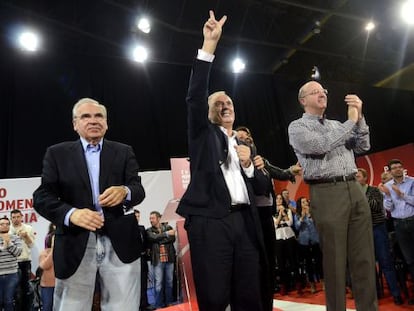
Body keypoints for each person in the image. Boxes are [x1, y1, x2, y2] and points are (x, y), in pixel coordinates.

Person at [176, 11, 268, 311]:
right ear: (209, 112)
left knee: (249, 294)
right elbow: (193, 96)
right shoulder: (203, 135)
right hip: (212, 222)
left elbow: (265, 185)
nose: (225, 105)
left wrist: (249, 166)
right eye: (218, 103)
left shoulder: (243, 143)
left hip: (246, 221)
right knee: (215, 296)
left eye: (228, 102)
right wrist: (209, 46)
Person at [33, 97, 146, 310]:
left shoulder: (123, 151)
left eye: (99, 116)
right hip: (75, 242)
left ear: (106, 123)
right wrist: (71, 214)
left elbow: (138, 189)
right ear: (75, 124)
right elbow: (42, 196)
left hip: (120, 242)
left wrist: (125, 191)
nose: (93, 120)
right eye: (86, 116)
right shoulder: (56, 154)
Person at [288, 80, 378, 311]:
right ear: (303, 100)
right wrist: (351, 121)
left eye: (324, 91)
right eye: (315, 91)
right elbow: (320, 145)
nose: (322, 94)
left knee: (365, 259)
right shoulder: (298, 127)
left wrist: (360, 115)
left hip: (354, 188)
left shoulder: (338, 124)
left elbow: (363, 145)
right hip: (326, 192)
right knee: (335, 262)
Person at [236, 126, 300, 310]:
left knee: (269, 263)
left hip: (267, 217)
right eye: (239, 139)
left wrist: (290, 171)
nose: (244, 141)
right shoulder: (237, 162)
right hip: (250, 217)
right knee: (255, 265)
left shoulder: (260, 160)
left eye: (247, 138)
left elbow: (277, 172)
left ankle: (268, 301)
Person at [355, 168, 403, 305]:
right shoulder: (352, 195)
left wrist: (359, 199)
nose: (355, 179)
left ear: (365, 178)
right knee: (368, 265)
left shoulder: (374, 190)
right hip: (362, 232)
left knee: (385, 262)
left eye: (358, 176)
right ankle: (376, 294)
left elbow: (375, 206)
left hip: (377, 229)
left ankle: (396, 293)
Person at [382, 159, 414, 304]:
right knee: (410, 260)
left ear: (403, 168)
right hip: (399, 225)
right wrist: (388, 195)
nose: (397, 169)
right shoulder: (388, 186)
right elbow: (388, 208)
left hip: (413, 220)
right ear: (389, 171)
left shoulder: (412, 181)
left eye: (399, 167)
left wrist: (401, 194)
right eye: (394, 168)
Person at [146, 211, 176, 309]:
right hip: (157, 260)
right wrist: (166, 234)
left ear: (159, 218)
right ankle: (159, 305)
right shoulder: (149, 230)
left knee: (169, 282)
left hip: (169, 259)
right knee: (158, 284)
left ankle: (169, 303)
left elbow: (172, 239)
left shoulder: (168, 227)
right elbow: (152, 238)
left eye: (153, 218)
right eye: (150, 218)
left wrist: (159, 238)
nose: (151, 220)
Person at [295, 196, 323, 294]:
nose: (305, 204)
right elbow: (297, 227)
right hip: (304, 242)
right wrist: (302, 217)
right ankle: (312, 284)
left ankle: (323, 282)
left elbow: (318, 224)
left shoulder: (313, 213)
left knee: (319, 262)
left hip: (315, 240)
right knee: (308, 264)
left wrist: (310, 215)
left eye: (306, 202)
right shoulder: (297, 214)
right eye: (303, 202)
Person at [9, 209, 35, 311]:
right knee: (13, 289)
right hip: (11, 262)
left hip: (24, 261)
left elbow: (31, 245)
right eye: (14, 217)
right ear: (11, 219)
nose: (16, 219)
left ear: (22, 217)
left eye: (18, 217)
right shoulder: (7, 229)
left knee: (25, 289)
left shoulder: (28, 228)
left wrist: (26, 236)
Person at [0, 216, 22, 311]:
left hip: (11, 274)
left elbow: (18, 253)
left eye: (7, 224)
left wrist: (9, 243)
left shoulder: (16, 238)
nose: (4, 226)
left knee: (8, 300)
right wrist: (3, 248)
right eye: (2, 224)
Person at [134, 209, 154, 311]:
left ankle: (144, 304)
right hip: (132, 261)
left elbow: (147, 242)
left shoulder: (142, 228)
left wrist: (147, 251)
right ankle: (135, 305)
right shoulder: (128, 229)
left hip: (142, 259)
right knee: (134, 284)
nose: (137, 218)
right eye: (135, 216)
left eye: (138, 216)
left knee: (143, 282)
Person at [39, 229, 55, 311]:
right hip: (48, 286)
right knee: (47, 307)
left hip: (62, 285)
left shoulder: (65, 252)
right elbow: (44, 265)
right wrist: (53, 251)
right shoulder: (44, 253)